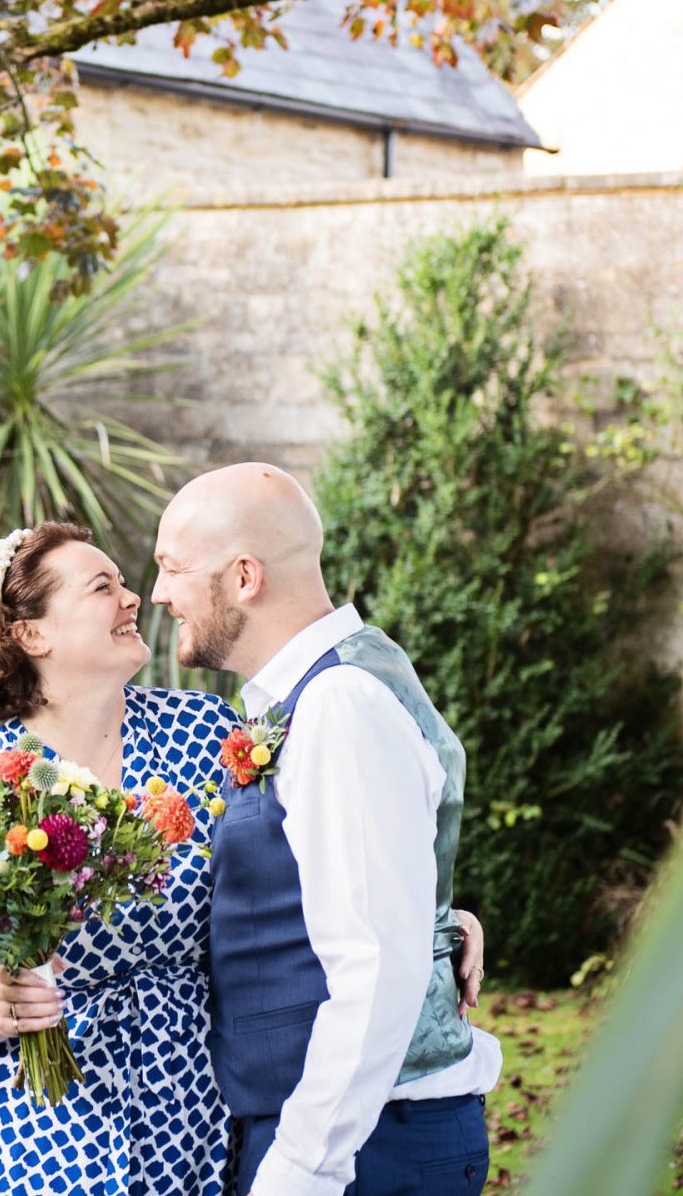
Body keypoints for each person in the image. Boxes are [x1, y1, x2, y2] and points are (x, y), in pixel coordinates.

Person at [0, 520, 488, 1196]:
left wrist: (430, 914)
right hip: (36, 1132)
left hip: (193, 1121)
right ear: (34, 634)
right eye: (104, 587)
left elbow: (321, 853)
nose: (135, 599)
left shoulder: (209, 731)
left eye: (125, 581)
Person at [152, 464, 503, 1196]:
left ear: (244, 575)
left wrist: (301, 1168)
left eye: (173, 568)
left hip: (363, 1145)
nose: (159, 593)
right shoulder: (314, 693)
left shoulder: (339, 702)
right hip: (348, 1134)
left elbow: (375, 965)